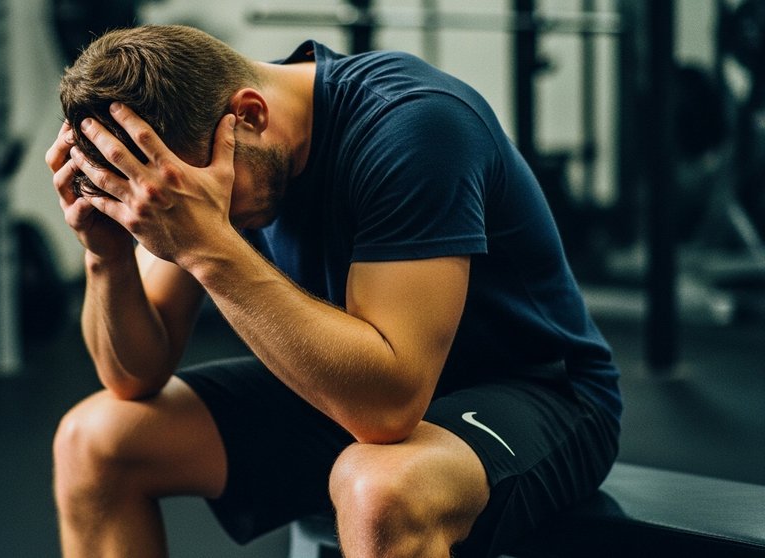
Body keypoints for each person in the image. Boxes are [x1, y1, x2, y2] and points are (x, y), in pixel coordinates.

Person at [45, 24, 621, 558]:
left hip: (539, 391)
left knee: (378, 490)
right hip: (355, 387)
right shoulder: (202, 149)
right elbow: (132, 375)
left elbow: (389, 410)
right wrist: (107, 254)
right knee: (94, 442)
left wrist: (204, 244)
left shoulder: (415, 125)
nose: (197, 216)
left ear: (249, 115)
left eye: (202, 204)